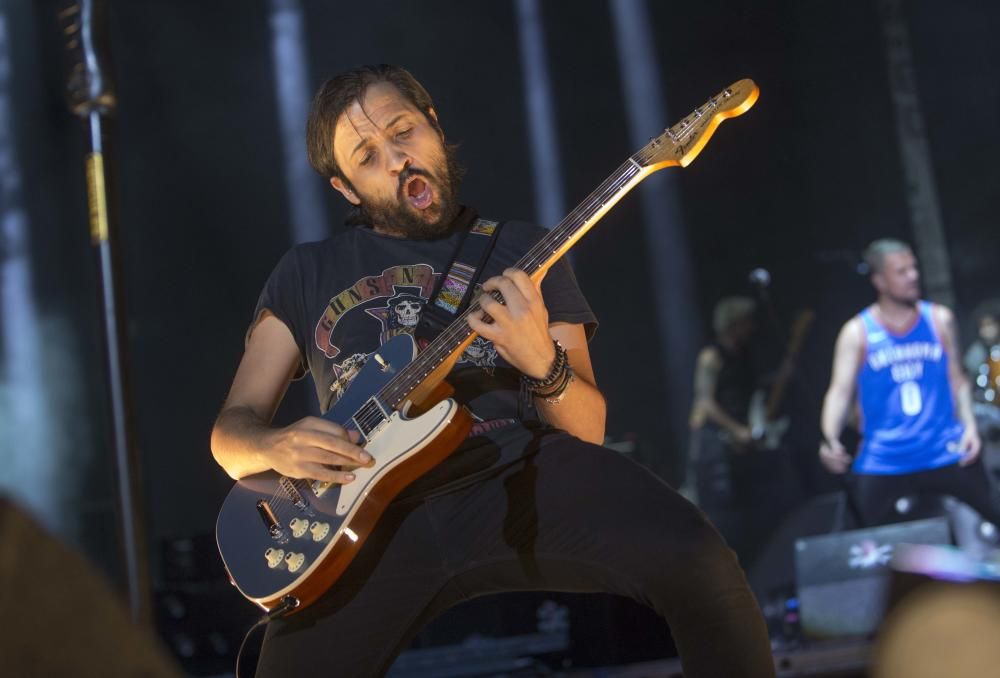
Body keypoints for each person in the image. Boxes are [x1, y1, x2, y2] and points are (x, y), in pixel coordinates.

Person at [210, 65, 773, 677]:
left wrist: (541, 360)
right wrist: (277, 446)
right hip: (363, 521)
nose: (397, 159)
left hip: (514, 473)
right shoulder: (304, 272)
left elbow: (587, 430)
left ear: (434, 125)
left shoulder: (526, 249)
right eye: (368, 156)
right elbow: (230, 435)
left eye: (403, 131)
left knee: (699, 559)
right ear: (345, 187)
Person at [819, 238, 998, 528]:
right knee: (852, 541)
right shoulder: (857, 332)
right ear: (879, 281)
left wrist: (969, 427)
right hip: (885, 457)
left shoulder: (939, 319)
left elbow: (958, 379)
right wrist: (830, 439)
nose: (913, 276)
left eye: (913, 268)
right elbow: (839, 392)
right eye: (901, 271)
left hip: (944, 448)